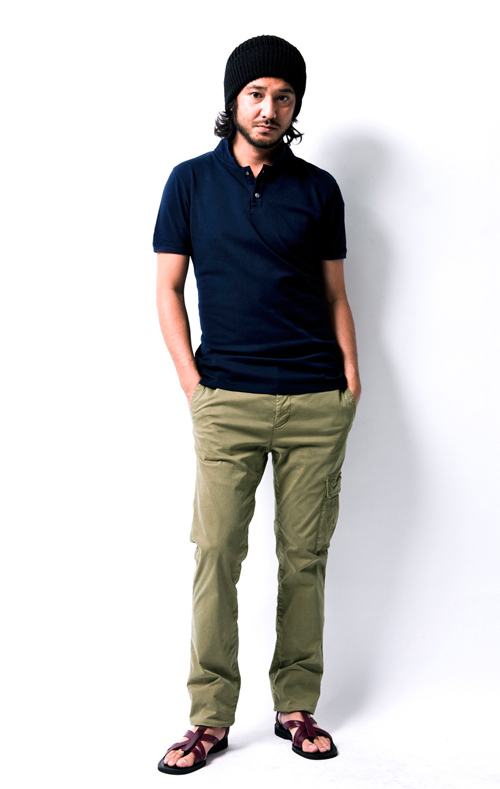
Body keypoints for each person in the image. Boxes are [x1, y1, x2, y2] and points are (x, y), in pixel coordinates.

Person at [153, 35, 361, 775]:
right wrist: (192, 384)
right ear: (233, 100)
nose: (269, 108)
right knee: (216, 554)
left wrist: (351, 380)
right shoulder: (189, 182)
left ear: (295, 107)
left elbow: (336, 295)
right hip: (227, 399)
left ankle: (295, 704)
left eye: (282, 97)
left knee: (304, 558)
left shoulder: (319, 190)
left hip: (314, 400)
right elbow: (167, 287)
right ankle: (209, 716)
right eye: (256, 94)